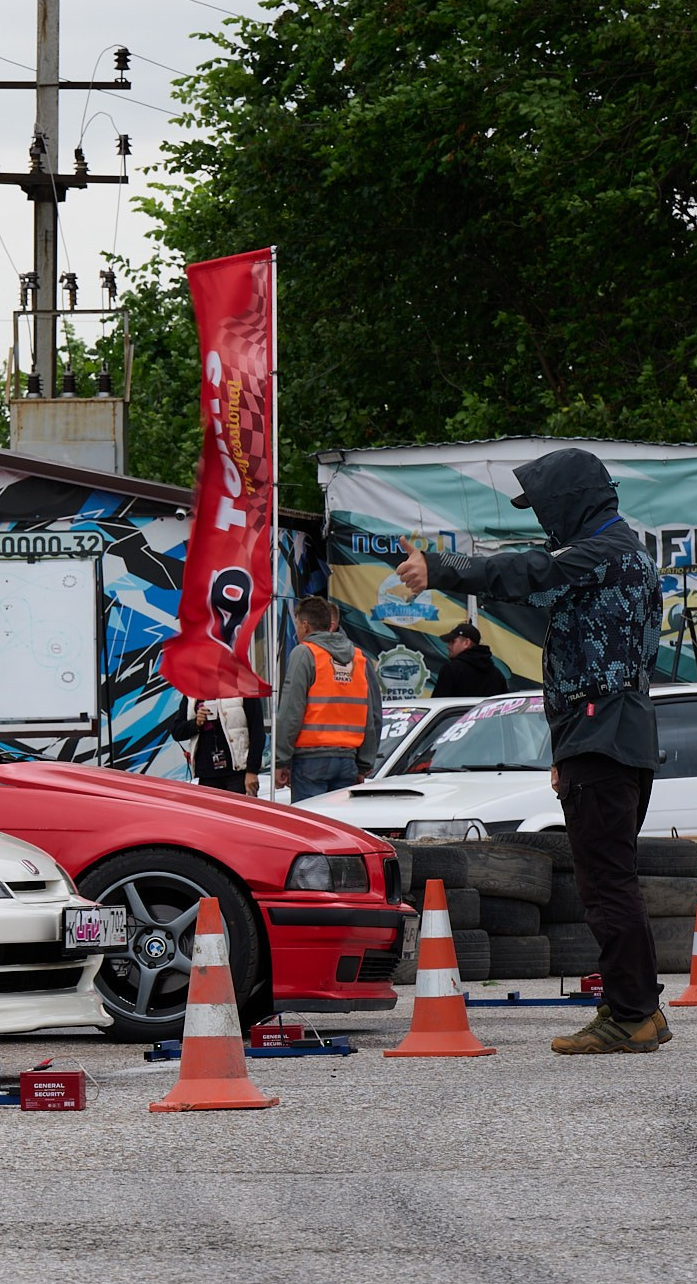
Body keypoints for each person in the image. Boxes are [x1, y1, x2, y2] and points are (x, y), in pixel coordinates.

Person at [395, 447, 667, 1055]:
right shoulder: (620, 555)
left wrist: (442, 568)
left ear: (569, 502)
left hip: (602, 736)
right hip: (609, 734)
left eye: (545, 507)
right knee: (611, 880)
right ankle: (637, 1009)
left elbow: (528, 572)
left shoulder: (602, 554)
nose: (543, 521)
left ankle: (631, 1014)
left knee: (606, 885)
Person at [273, 596, 375, 801]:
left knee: (311, 828)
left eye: (297, 625)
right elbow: (371, 716)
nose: (298, 632)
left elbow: (291, 712)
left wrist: (280, 761)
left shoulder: (305, 653)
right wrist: (364, 764)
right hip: (348, 760)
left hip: (311, 762)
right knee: (338, 828)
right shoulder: (358, 658)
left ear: (305, 625)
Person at [173, 696, 266, 794]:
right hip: (207, 774)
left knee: (237, 809)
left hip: (237, 772)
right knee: (210, 809)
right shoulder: (192, 692)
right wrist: (196, 723)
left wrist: (252, 771)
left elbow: (257, 731)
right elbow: (177, 732)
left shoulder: (240, 685)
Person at [433, 621, 508, 697]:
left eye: (452, 642)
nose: (448, 646)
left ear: (466, 643)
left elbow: (437, 702)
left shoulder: (451, 669)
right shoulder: (497, 675)